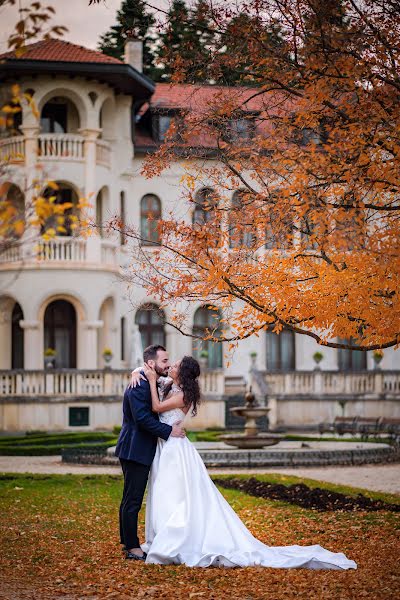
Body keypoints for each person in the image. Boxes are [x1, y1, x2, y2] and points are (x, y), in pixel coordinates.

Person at [130, 356, 357, 570]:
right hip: (166, 445)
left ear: (184, 373)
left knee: (177, 494)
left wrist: (151, 381)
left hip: (175, 449)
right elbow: (149, 372)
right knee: (165, 493)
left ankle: (176, 540)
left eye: (177, 364)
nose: (172, 365)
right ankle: (163, 535)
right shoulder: (170, 385)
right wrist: (137, 372)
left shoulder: (183, 395)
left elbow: (157, 408)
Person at [115, 345, 186, 561]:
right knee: (132, 499)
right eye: (164, 360)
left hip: (141, 448)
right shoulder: (139, 385)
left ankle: (128, 542)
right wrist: (169, 431)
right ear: (152, 363)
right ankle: (132, 547)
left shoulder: (150, 380)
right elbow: (143, 419)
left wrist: (137, 369)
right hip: (134, 448)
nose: (168, 364)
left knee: (131, 498)